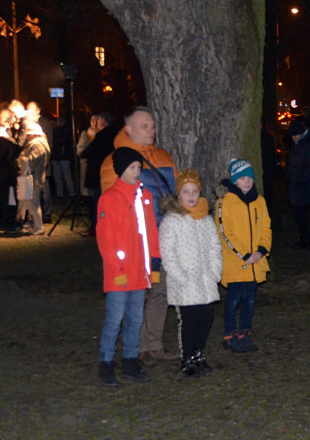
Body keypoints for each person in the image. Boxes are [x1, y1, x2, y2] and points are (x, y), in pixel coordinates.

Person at [100, 107, 179, 365]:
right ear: (128, 129)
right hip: (136, 244)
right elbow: (115, 208)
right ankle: (137, 347)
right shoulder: (116, 162)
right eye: (144, 126)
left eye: (153, 125)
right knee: (137, 296)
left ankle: (153, 343)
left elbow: (175, 192)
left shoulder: (164, 157)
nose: (151, 130)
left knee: (160, 292)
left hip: (162, 238)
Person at [95, 147, 159, 387]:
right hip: (120, 274)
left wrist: (154, 264)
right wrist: (116, 269)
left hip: (139, 273)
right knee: (115, 319)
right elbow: (106, 239)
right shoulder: (110, 198)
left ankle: (130, 361)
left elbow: (151, 233)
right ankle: (106, 363)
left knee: (135, 319)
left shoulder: (144, 197)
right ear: (121, 170)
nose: (137, 172)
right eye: (133, 168)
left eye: (139, 168)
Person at [158, 169, 223, 377]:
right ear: (179, 194)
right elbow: (168, 252)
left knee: (206, 317)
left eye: (194, 191)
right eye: (186, 192)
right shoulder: (172, 221)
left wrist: (214, 272)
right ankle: (187, 357)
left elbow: (215, 247)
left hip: (205, 280)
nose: (191, 196)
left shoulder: (205, 220)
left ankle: (198, 352)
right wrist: (180, 276)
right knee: (188, 320)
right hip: (185, 282)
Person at [218, 159, 271, 353]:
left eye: (249, 178)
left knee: (249, 299)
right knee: (233, 300)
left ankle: (245, 332)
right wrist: (245, 255)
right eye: (242, 178)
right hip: (236, 263)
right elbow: (225, 233)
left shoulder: (260, 201)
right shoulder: (225, 203)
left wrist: (261, 250)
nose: (247, 182)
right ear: (235, 181)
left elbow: (266, 227)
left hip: (256, 262)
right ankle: (229, 334)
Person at [284, 119, 310, 249]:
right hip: (298, 184)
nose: (293, 138)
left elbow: (309, 167)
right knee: (299, 214)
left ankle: (305, 241)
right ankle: (304, 239)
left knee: (301, 214)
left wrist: (296, 179)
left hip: (303, 185)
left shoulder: (308, 145)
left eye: (295, 135)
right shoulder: (301, 143)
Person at [14, 122, 51, 235]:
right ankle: (33, 224)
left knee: (33, 202)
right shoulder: (37, 144)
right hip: (31, 177)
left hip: (33, 178)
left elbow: (31, 161)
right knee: (29, 202)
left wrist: (20, 159)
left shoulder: (37, 145)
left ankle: (39, 226)